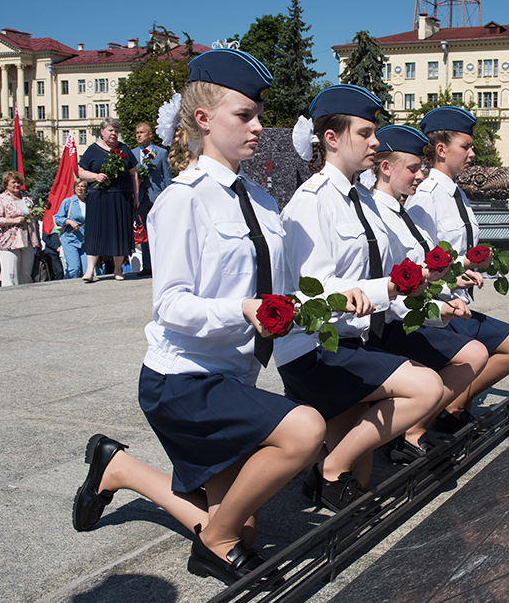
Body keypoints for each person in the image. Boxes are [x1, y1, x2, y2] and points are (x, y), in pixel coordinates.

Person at [72, 49, 327, 586]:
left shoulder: (260, 200)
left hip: (234, 377)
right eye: (245, 115)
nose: (259, 126)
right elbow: (170, 304)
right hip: (182, 381)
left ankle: (117, 468)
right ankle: (212, 546)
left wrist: (333, 301)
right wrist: (241, 309)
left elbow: (275, 291)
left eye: (259, 113)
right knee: (305, 428)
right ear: (204, 119)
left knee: (246, 528)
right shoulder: (181, 200)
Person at [277, 84, 445, 511]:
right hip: (317, 347)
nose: (375, 142)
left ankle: (328, 470)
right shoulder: (311, 202)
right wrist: (384, 288)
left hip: (356, 341)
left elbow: (385, 270)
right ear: (332, 139)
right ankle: (327, 469)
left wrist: (423, 290)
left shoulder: (363, 202)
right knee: (426, 388)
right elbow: (311, 293)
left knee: (362, 482)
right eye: (366, 133)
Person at [404, 106, 509, 433]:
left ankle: (455, 405)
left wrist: (492, 263)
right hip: (439, 313)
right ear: (442, 150)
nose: (473, 153)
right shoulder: (424, 198)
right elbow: (423, 263)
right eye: (467, 146)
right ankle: (440, 415)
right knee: (497, 348)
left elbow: (463, 253)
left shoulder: (458, 193)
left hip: (462, 305)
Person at [368, 124, 488, 463]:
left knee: (477, 352)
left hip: (422, 312)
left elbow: (424, 271)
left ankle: (413, 430)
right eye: (414, 169)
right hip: (394, 323)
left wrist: (451, 281)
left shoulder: (404, 212)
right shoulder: (379, 215)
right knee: (472, 354)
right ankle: (410, 432)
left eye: (421, 168)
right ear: (386, 168)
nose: (421, 176)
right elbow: (394, 289)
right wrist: (438, 310)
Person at [77, 118, 139, 282]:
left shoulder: (124, 149)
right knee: (95, 231)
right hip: (99, 197)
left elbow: (134, 174)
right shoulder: (92, 149)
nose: (113, 134)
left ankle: (118, 269)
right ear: (102, 132)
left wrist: (136, 197)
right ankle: (90, 270)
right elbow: (81, 172)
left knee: (118, 231)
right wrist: (95, 176)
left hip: (121, 197)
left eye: (116, 131)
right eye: (110, 130)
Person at [132, 122, 172, 276]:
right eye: (137, 133)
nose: (139, 135)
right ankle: (147, 266)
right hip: (141, 198)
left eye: (142, 132)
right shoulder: (133, 153)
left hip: (158, 196)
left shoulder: (160, 153)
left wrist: (169, 196)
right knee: (146, 233)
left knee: (161, 231)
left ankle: (162, 265)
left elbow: (167, 176)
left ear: (150, 135)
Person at [0, 171, 40, 286]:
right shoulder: (0, 199)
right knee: (11, 274)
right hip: (9, 241)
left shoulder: (27, 198)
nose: (16, 185)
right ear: (6, 184)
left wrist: (38, 239)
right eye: (13, 182)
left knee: (26, 274)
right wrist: (13, 220)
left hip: (28, 240)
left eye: (18, 182)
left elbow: (34, 219)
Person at [55, 179, 89, 278]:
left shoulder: (89, 202)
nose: (80, 188)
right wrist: (69, 221)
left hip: (85, 240)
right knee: (74, 268)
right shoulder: (68, 201)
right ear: (74, 188)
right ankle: (69, 287)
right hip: (71, 239)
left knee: (87, 269)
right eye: (78, 186)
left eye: (83, 186)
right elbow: (58, 218)